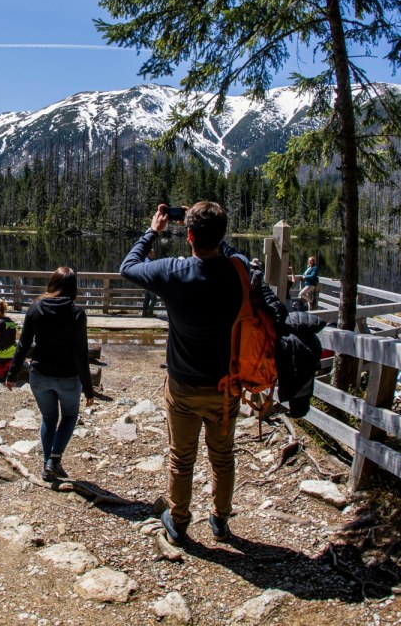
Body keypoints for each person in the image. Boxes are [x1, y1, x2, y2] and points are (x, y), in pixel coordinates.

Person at [120, 202, 286, 545]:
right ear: (222, 235)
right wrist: (202, 224)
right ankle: (220, 520)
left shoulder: (173, 272)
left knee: (182, 457)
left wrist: (154, 230)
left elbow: (129, 266)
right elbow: (230, 252)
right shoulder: (238, 270)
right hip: (226, 386)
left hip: (182, 385)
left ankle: (178, 520)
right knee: (222, 455)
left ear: (189, 235)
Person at [3, 268, 94, 482]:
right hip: (68, 377)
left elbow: (23, 344)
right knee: (70, 416)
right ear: (73, 288)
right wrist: (89, 389)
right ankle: (53, 460)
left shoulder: (35, 308)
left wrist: (12, 374)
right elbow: (81, 354)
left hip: (40, 375)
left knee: (49, 418)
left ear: (52, 283)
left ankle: (48, 466)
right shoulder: (77, 313)